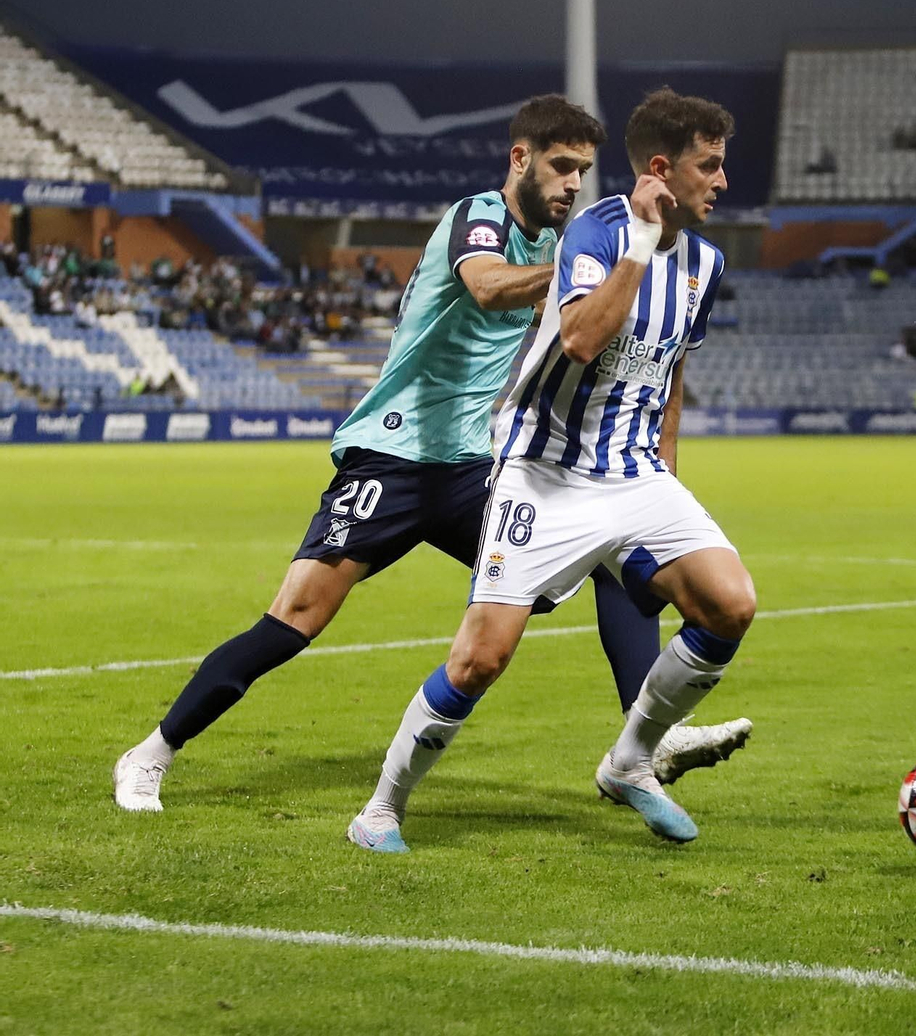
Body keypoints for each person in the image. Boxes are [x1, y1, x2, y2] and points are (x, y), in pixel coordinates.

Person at [113, 95, 750, 815]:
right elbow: (485, 287)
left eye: (582, 171)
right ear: (520, 159)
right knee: (297, 616)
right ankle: (151, 752)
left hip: (474, 467)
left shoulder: (560, 242)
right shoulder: (481, 217)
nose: (574, 184)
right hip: (394, 454)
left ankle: (644, 743)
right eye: (561, 167)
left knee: (615, 560)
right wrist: (585, 272)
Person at [348, 89, 754, 852]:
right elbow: (580, 338)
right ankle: (379, 809)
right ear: (661, 168)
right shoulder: (595, 234)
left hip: (634, 476)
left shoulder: (706, 262)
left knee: (730, 604)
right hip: (544, 474)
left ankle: (630, 762)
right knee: (481, 658)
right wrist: (640, 243)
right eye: (709, 165)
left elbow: (671, 375)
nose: (722, 181)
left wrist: (667, 478)